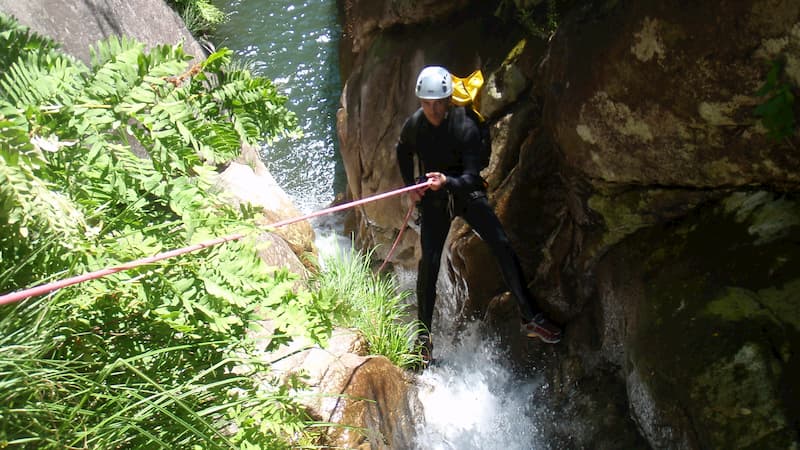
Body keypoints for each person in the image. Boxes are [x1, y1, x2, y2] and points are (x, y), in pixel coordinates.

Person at [395, 66, 562, 363]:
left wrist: (447, 182)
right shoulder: (415, 125)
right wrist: (411, 186)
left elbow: (473, 176)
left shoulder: (466, 126)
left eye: (438, 103)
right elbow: (402, 149)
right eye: (426, 103)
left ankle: (529, 316)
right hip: (435, 198)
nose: (432, 109)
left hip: (466, 192)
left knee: (501, 244)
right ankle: (423, 338)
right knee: (428, 265)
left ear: (448, 100)